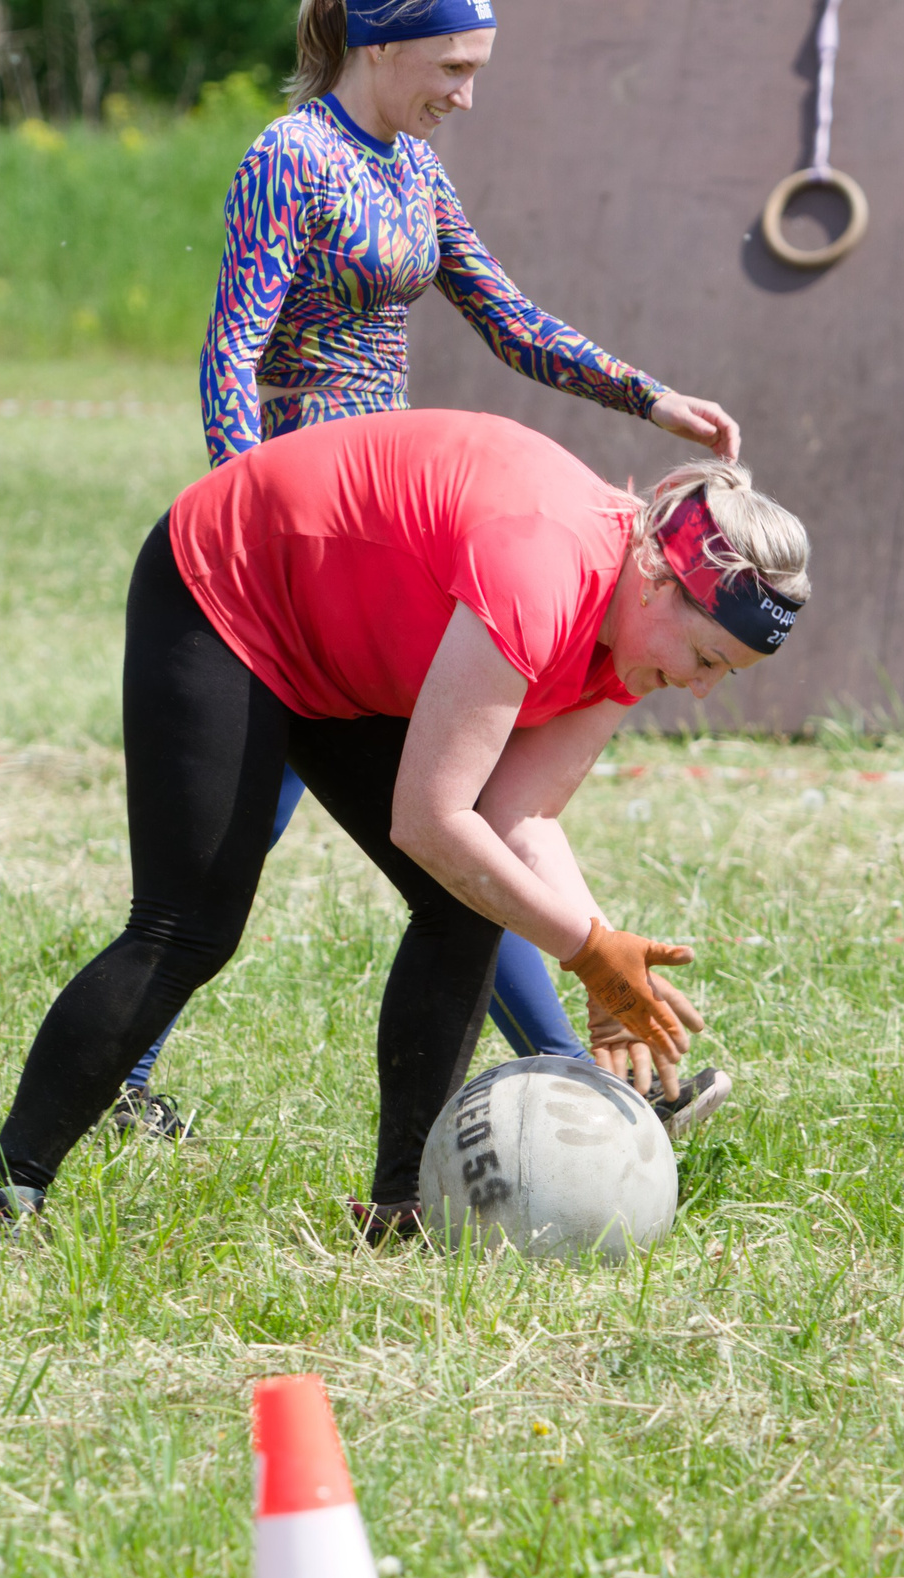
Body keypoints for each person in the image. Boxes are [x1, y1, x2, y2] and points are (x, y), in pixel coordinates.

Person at [0, 411, 812, 1244]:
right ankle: (1, 1195)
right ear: (660, 578)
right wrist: (584, 948)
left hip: (336, 642)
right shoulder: (545, 573)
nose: (697, 688)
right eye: (702, 658)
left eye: (721, 674)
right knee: (188, 928)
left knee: (466, 908)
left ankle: (403, 1210)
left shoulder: (632, 633)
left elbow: (520, 815)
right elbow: (430, 820)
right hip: (231, 586)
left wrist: (606, 954)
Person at [115, 0, 747, 1141]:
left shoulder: (412, 170)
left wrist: (647, 398)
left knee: (433, 819)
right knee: (285, 832)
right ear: (382, 42)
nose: (466, 92)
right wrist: (245, 523)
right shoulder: (289, 159)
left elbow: (506, 318)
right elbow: (232, 350)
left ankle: (576, 1065)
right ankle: (126, 1079)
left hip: (396, 541)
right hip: (303, 540)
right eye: (453, 66)